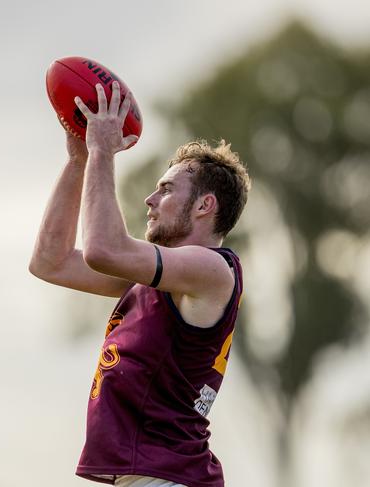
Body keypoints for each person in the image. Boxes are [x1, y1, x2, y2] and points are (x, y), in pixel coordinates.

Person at [29, 81, 251, 487]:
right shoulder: (155, 279)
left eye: (165, 189)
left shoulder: (212, 269)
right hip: (153, 478)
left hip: (170, 478)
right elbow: (50, 262)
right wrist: (78, 159)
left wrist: (102, 151)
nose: (150, 199)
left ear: (205, 205)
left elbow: (103, 249)